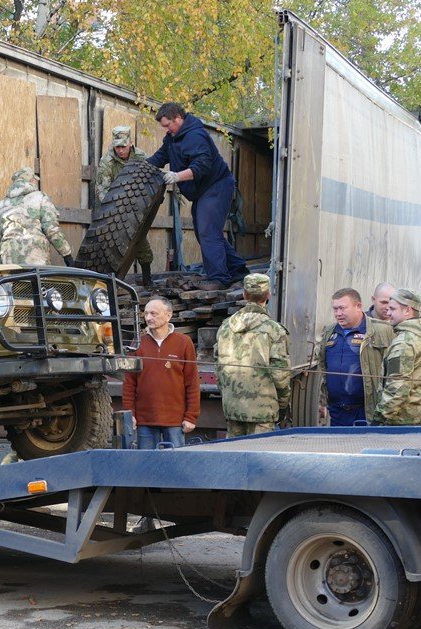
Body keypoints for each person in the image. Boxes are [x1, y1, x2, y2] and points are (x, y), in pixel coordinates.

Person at [146, 102, 249, 291]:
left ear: (178, 118)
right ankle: (238, 270)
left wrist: (177, 176)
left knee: (208, 232)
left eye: (167, 125)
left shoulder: (195, 136)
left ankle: (219, 278)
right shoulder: (172, 138)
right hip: (203, 191)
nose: (166, 130)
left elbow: (203, 165)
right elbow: (160, 157)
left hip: (217, 186)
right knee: (208, 234)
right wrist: (142, 167)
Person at [215, 274, 291, 436]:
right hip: (262, 410)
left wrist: (228, 396)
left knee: (234, 456)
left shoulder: (225, 327)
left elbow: (219, 367)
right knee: (259, 457)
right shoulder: (273, 329)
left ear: (244, 295)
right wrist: (283, 404)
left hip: (233, 407)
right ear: (268, 295)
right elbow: (280, 374)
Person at [122, 297, 200, 449]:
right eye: (146, 314)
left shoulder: (184, 343)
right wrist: (129, 414)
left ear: (168, 315)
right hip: (145, 420)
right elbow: (129, 383)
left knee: (176, 465)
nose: (149, 318)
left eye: (153, 313)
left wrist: (191, 416)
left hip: (175, 421)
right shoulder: (137, 344)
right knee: (147, 466)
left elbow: (192, 383)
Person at [317, 288, 393, 426]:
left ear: (358, 306)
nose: (338, 314)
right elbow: (323, 368)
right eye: (335, 309)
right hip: (337, 412)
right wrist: (322, 402)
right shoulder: (329, 332)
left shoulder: (382, 331)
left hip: (367, 411)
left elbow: (393, 372)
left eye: (342, 308)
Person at [97, 125, 155, 287]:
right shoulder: (107, 161)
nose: (120, 150)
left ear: (131, 143)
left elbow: (151, 181)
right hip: (112, 207)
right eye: (117, 147)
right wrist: (113, 211)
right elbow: (102, 189)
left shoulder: (141, 156)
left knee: (140, 240)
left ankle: (147, 278)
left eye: (123, 146)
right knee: (108, 244)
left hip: (136, 205)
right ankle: (108, 283)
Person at [372, 288, 421, 425]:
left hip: (401, 422)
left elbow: (397, 387)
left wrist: (380, 418)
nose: (388, 313)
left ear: (407, 311)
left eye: (392, 309)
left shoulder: (404, 343)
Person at [0, 167, 72, 267]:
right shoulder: (40, 198)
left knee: (13, 282)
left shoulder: (1, 205)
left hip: (9, 259)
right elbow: (51, 229)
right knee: (36, 282)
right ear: (31, 180)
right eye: (35, 179)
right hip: (35, 257)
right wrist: (67, 254)